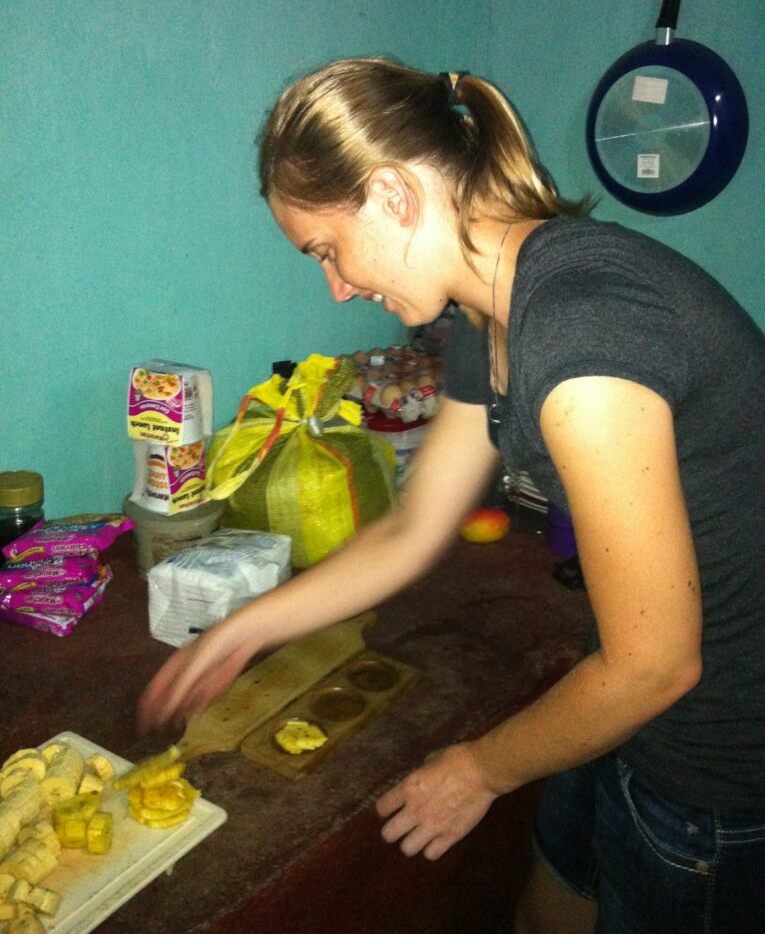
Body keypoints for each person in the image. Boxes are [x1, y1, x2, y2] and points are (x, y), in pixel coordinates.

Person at [138, 58, 765, 933]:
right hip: (625, 716)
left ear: (394, 196)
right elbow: (413, 526)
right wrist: (249, 627)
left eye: (325, 249)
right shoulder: (495, 310)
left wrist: (478, 770)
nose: (337, 286)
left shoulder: (579, 338)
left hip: (716, 758)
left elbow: (655, 665)